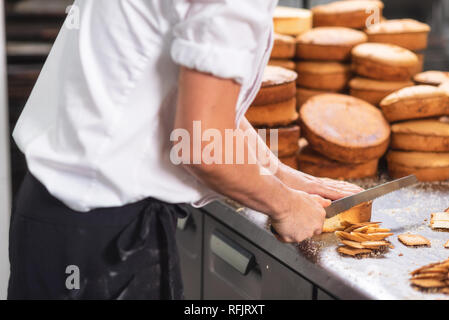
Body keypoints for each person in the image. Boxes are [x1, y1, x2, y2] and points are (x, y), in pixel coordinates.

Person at [8, 0, 362, 300]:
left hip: (60, 220)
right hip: (101, 245)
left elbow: (185, 94)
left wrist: (276, 173)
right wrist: (285, 205)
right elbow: (202, 144)